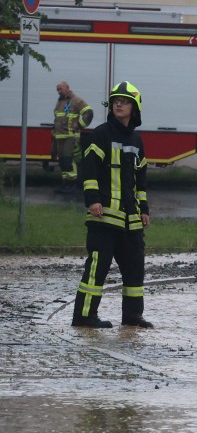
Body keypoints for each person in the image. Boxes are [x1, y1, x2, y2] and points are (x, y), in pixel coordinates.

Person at [72, 82, 151, 328]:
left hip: (130, 219)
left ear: (134, 107)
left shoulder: (137, 141)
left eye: (124, 101)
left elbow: (141, 179)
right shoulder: (101, 134)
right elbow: (89, 170)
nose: (118, 104)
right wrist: (93, 200)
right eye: (115, 100)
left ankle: (132, 316)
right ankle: (84, 316)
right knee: (98, 267)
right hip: (104, 216)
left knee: (135, 268)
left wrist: (144, 209)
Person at [50, 81, 94, 192]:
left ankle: (72, 184)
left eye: (60, 89)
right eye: (57, 89)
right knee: (62, 162)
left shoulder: (76, 101)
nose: (59, 91)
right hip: (59, 136)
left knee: (69, 161)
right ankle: (65, 183)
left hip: (70, 136)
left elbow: (89, 113)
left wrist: (80, 125)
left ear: (68, 88)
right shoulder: (60, 102)